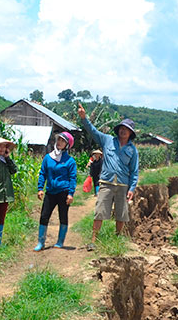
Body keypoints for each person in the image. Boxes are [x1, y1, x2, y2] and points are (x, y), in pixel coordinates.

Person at [78, 103, 139, 249]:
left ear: (130, 133)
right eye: (122, 129)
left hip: (123, 185)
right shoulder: (107, 140)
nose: (123, 131)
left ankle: (117, 239)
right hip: (106, 183)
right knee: (100, 212)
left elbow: (134, 171)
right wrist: (84, 118)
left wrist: (132, 188)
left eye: (127, 130)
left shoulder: (133, 150)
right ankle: (94, 241)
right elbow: (92, 131)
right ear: (118, 130)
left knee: (121, 214)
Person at [34, 132, 77, 251]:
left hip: (63, 191)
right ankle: (41, 242)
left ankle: (60, 241)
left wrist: (70, 193)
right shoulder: (48, 158)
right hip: (50, 192)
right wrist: (40, 189)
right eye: (58, 140)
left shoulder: (70, 161)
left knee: (63, 216)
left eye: (63, 141)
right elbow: (43, 173)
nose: (59, 143)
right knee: (44, 216)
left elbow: (73, 178)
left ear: (67, 145)